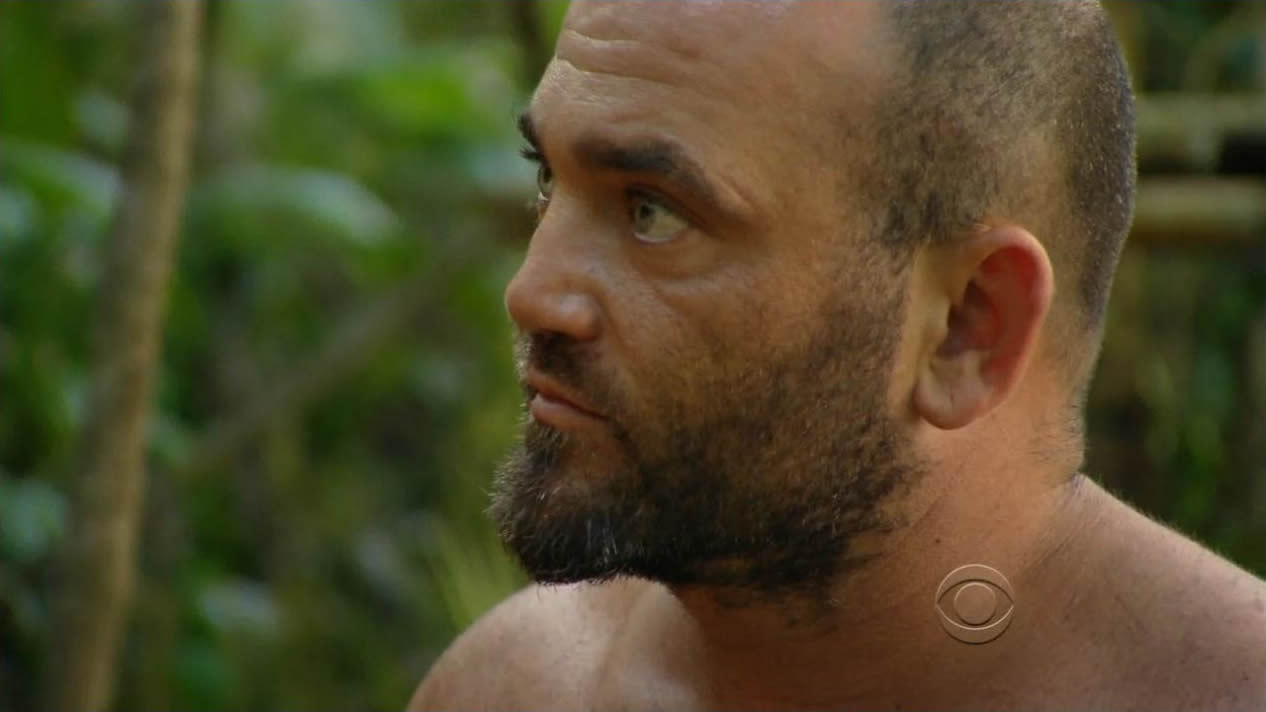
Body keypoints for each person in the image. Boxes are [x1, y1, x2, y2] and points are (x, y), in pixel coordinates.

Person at [408, 1, 1266, 710]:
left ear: (967, 325)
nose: (532, 293)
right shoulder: (517, 688)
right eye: (548, 178)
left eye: (653, 212)